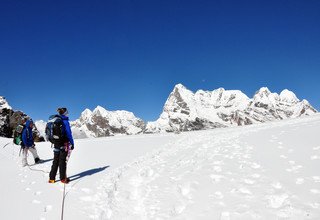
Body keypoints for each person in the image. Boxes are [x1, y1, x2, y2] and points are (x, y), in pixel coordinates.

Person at [49, 107, 74, 184]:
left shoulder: (55, 120)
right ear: (65, 113)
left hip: (56, 143)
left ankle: (51, 178)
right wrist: (72, 143)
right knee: (62, 161)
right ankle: (63, 179)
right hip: (64, 143)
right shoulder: (65, 121)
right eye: (67, 112)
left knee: (55, 161)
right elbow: (69, 134)